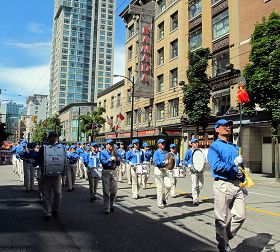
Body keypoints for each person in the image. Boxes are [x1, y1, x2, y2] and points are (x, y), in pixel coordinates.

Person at [208, 119, 246, 252]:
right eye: (225, 125)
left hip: (237, 185)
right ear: (217, 129)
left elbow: (240, 167)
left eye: (229, 125)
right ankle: (223, 244)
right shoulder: (214, 146)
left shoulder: (234, 146)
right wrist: (234, 166)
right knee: (221, 218)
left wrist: (243, 178)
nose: (228, 127)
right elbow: (216, 166)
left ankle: (224, 237)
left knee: (240, 216)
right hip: (223, 184)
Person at [37, 131, 67, 220]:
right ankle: (47, 212)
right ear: (49, 138)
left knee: (58, 194)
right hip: (46, 174)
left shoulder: (61, 148)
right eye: (52, 137)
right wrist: (36, 163)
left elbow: (64, 158)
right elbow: (39, 159)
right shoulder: (44, 148)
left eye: (55, 137)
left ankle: (55, 209)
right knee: (46, 195)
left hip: (57, 175)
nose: (53, 138)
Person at [100, 139, 120, 215]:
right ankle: (106, 208)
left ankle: (111, 205)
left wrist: (117, 158)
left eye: (112, 144)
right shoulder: (103, 153)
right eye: (110, 144)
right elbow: (103, 162)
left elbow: (118, 163)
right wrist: (110, 159)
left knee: (114, 191)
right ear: (107, 145)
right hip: (106, 171)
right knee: (106, 191)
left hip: (114, 171)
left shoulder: (115, 152)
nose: (111, 146)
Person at [184, 138, 204, 206]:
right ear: (191, 144)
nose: (196, 144)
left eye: (197, 142)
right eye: (194, 143)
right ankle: (195, 199)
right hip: (193, 170)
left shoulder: (200, 150)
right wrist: (188, 165)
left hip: (200, 170)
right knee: (194, 185)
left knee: (201, 185)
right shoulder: (189, 151)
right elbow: (185, 161)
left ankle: (195, 195)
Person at [153, 138, 172, 209]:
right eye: (161, 143)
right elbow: (156, 162)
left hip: (165, 170)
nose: (163, 144)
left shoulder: (166, 152)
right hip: (158, 170)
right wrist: (163, 162)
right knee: (160, 188)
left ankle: (164, 199)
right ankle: (160, 203)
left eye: (164, 143)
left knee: (168, 185)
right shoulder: (156, 152)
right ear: (158, 144)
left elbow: (170, 161)